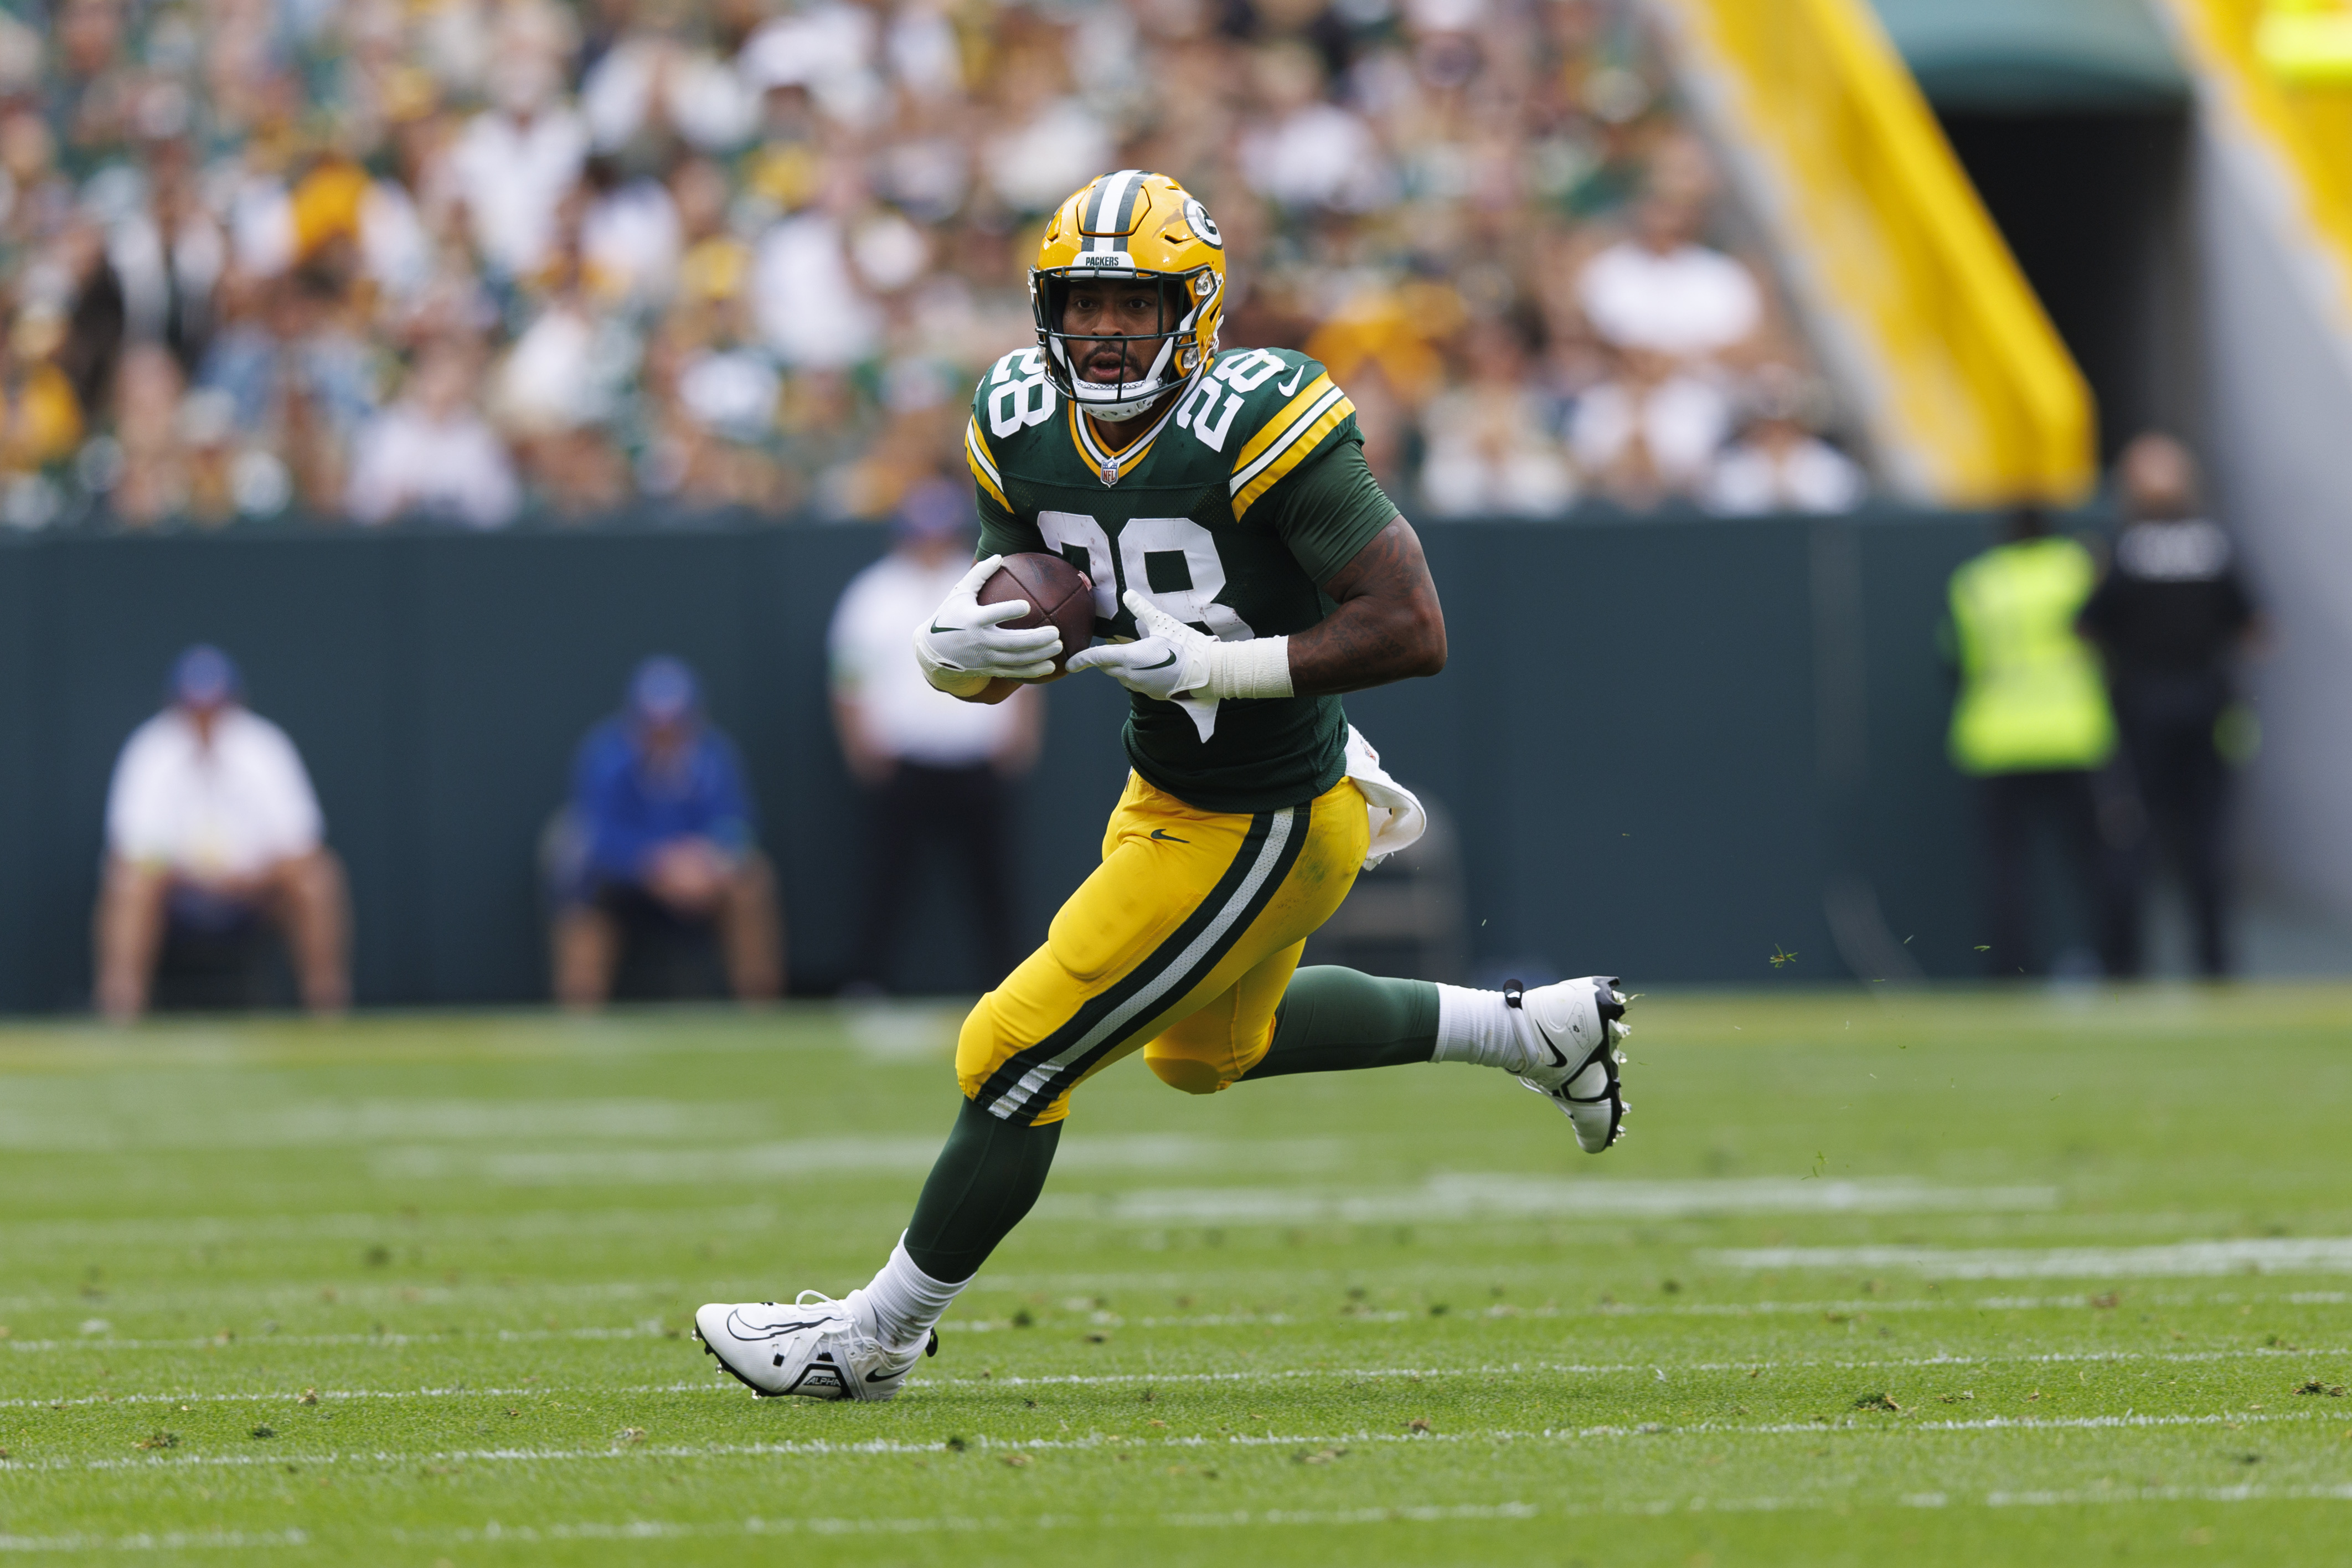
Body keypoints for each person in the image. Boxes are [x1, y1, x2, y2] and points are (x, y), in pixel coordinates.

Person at [693, 171, 1633, 1402]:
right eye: (1081, 302)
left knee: (1014, 1052)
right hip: (1174, 794)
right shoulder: (1019, 418)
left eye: (1132, 306)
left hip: (1273, 812)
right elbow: (1013, 630)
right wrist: (947, 651)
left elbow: (1411, 626)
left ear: (1194, 310)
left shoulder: (1261, 416)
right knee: (1199, 1053)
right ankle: (1530, 1029)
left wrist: (1220, 665)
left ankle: (870, 1340)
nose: (1103, 330)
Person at [828, 476, 1041, 993]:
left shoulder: (982, 585)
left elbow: (1022, 660)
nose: (931, 540)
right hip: (905, 761)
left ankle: (1008, 983)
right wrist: (860, 743)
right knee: (887, 880)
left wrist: (1022, 730)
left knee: (991, 885)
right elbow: (850, 678)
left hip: (975, 760)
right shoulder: (873, 593)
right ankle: (868, 982)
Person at [2078, 435, 2262, 977]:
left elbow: (2087, 626)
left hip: (2142, 709)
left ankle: (2123, 963)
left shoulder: (2125, 550)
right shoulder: (2217, 544)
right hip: (2208, 704)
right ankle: (2214, 961)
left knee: (2130, 837)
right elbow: (2257, 629)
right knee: (2207, 840)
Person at [94, 645, 349, 1021]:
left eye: (214, 707)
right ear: (176, 704)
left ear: (234, 703)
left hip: (254, 893)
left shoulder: (265, 746)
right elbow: (131, 850)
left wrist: (246, 878)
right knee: (130, 883)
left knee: (317, 878)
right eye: (195, 708)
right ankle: (120, 1010)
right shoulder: (151, 749)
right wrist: (190, 876)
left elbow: (301, 846)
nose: (205, 720)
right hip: (176, 895)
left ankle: (328, 1009)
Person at [1944, 506, 2132, 976]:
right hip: (2074, 732)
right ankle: (2118, 964)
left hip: (1998, 738)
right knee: (2095, 860)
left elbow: (1955, 660)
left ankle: (2010, 972)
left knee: (2006, 869)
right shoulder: (2077, 570)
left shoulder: (1978, 582)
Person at [551, 656, 784, 1009]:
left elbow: (739, 829)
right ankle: (580, 1012)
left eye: (674, 724)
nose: (664, 735)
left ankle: (760, 1009)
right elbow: (599, 838)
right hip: (625, 884)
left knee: (753, 881)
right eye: (654, 725)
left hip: (703, 882)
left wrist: (708, 864)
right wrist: (657, 867)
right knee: (579, 880)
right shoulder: (606, 758)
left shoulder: (714, 759)